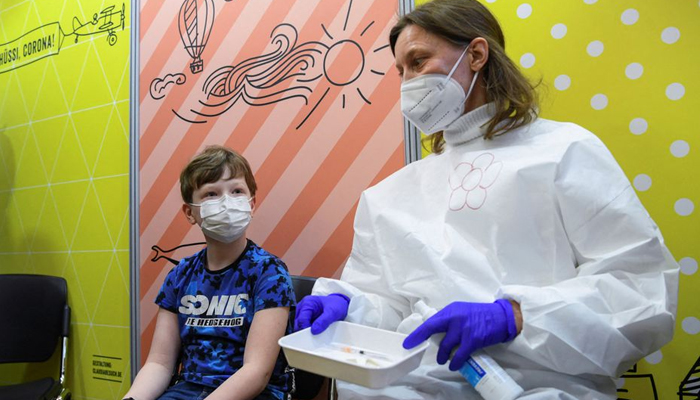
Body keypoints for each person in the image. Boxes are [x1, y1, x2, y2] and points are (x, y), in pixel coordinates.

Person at [294, 0, 679, 399]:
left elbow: (641, 289)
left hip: (541, 387)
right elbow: (390, 307)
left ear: (476, 54)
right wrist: (347, 305)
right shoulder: (389, 195)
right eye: (400, 71)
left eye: (418, 61)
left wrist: (514, 316)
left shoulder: (564, 151)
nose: (408, 82)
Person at [124, 146, 295, 400]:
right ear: (190, 213)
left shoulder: (269, 272)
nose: (226, 201)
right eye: (211, 194)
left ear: (251, 203)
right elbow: (159, 364)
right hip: (187, 390)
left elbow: (256, 372)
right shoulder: (179, 276)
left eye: (236, 191)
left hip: (255, 393)